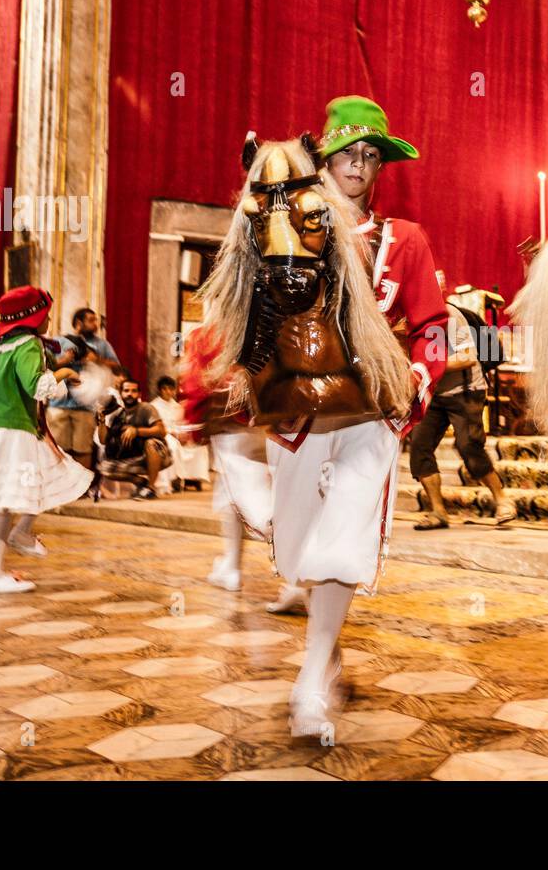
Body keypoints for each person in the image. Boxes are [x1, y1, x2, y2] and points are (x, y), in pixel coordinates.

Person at [195, 122, 444, 738]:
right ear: (322, 160)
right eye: (346, 155)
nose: (359, 166)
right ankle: (326, 655)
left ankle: (308, 681)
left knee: (343, 540)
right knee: (304, 547)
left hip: (371, 409)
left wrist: (415, 381)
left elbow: (433, 323)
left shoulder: (404, 240)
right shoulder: (285, 225)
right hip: (300, 414)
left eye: (370, 157)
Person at [0, 286, 91, 593]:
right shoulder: (28, 344)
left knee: (29, 488)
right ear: (33, 318)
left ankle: (11, 548)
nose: (50, 321)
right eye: (47, 316)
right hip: (15, 433)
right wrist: (66, 371)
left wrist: (55, 368)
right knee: (13, 498)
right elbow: (37, 387)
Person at [410, 280, 515, 528]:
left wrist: (430, 367)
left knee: (469, 446)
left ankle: (502, 500)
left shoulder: (450, 315)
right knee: (419, 447)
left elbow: (468, 357)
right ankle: (438, 512)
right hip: (435, 393)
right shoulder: (411, 320)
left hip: (466, 389)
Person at [178, 326, 273, 593]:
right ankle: (231, 565)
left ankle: (296, 570)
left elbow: (196, 382)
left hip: (228, 423)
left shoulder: (208, 334)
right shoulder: (263, 326)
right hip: (262, 420)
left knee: (253, 499)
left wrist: (192, 422)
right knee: (233, 493)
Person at [46, 307, 122, 468]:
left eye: (96, 320)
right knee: (58, 449)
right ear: (78, 323)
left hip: (85, 407)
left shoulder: (102, 344)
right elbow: (44, 366)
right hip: (59, 404)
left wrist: (96, 359)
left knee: (83, 449)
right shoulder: (59, 341)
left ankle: (82, 491)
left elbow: (117, 368)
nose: (96, 323)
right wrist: (65, 362)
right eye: (91, 320)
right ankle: (61, 490)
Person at [96, 378, 169, 500]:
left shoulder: (146, 408)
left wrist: (136, 431)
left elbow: (162, 431)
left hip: (155, 454)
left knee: (152, 443)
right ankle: (141, 483)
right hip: (132, 455)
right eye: (126, 390)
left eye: (134, 391)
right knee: (105, 468)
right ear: (121, 393)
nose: (130, 394)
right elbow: (103, 440)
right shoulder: (116, 413)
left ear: (139, 394)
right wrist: (102, 420)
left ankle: (151, 489)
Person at [149, 374, 209, 492]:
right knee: (172, 446)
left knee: (199, 446)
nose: (168, 392)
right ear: (160, 390)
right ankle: (174, 479)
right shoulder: (153, 406)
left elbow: (183, 423)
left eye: (171, 389)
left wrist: (184, 434)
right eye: (165, 389)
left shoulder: (177, 406)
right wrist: (174, 434)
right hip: (164, 435)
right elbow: (157, 426)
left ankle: (193, 479)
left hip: (179, 434)